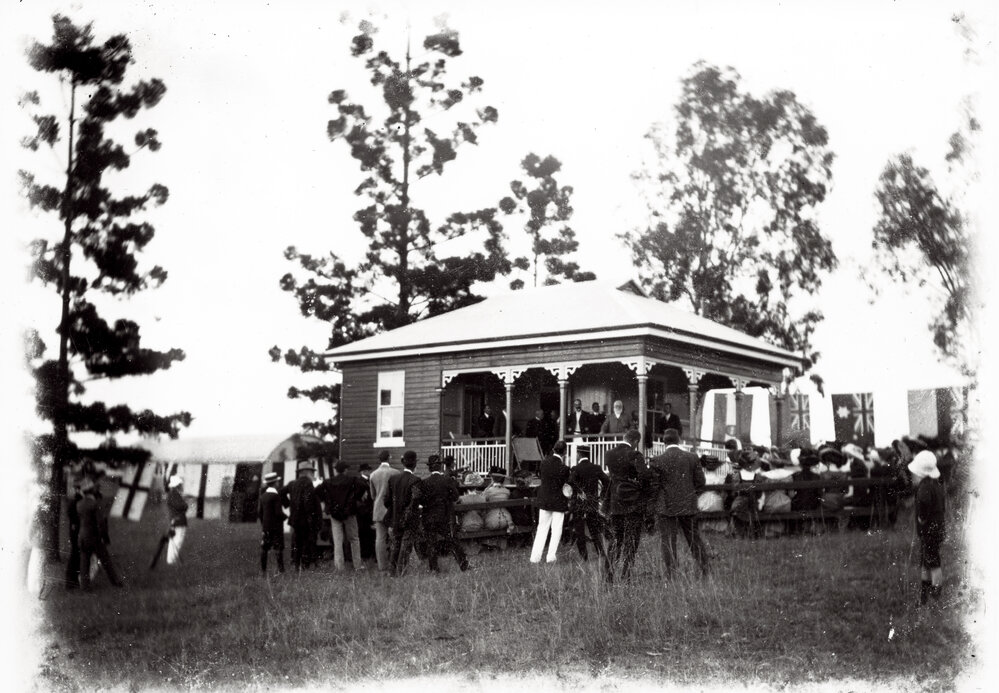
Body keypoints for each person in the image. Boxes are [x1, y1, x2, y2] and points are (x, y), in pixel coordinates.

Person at [648, 429, 708, 578]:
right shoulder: (692, 457)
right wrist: (691, 495)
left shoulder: (657, 460)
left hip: (666, 506)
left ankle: (671, 574)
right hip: (688, 504)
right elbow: (701, 482)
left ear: (664, 442)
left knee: (668, 540)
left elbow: (654, 487)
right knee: (694, 539)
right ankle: (706, 570)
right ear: (679, 440)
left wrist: (653, 505)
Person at [604, 429, 647, 581]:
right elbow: (644, 476)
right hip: (632, 503)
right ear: (635, 441)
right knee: (631, 540)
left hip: (615, 502)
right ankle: (626, 576)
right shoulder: (635, 455)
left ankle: (608, 576)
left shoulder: (609, 454)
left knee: (615, 540)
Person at [412, 456, 469, 572]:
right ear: (440, 466)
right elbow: (455, 497)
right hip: (444, 517)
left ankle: (434, 568)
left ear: (429, 468)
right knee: (452, 541)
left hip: (428, 517)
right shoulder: (446, 480)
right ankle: (463, 565)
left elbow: (420, 500)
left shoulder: (424, 482)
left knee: (431, 543)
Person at [909, 450, 946, 605]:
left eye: (914, 474)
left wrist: (921, 518)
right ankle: (925, 593)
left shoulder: (924, 487)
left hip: (930, 531)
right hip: (936, 530)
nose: (912, 476)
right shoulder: (935, 484)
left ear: (920, 473)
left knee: (932, 562)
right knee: (927, 561)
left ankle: (935, 594)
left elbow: (924, 502)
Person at [567, 445, 611, 567]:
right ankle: (600, 552)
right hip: (593, 503)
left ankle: (584, 557)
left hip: (579, 504)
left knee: (580, 531)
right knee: (594, 529)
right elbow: (607, 482)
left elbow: (570, 483)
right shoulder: (596, 468)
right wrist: (601, 496)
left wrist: (578, 492)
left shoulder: (575, 469)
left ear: (579, 455)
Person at [529, 440, 571, 564]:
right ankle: (551, 557)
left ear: (553, 449)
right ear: (565, 452)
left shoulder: (543, 463)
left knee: (542, 528)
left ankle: (535, 558)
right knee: (556, 530)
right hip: (558, 501)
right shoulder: (564, 468)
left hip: (545, 499)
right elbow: (566, 484)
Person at [77, 478, 123, 590]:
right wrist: (104, 536)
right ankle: (115, 581)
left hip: (82, 535)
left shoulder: (79, 504)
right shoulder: (95, 504)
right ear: (92, 490)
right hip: (94, 536)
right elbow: (101, 522)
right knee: (105, 560)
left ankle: (84, 586)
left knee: (84, 561)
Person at [323, 460, 367, 571]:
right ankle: (357, 565)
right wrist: (355, 498)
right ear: (346, 470)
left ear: (336, 470)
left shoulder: (328, 481)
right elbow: (363, 486)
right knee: (354, 539)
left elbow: (318, 491)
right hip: (349, 513)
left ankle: (339, 567)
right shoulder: (352, 480)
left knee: (338, 541)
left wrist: (328, 502)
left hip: (335, 514)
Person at [384, 450, 422, 576]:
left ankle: (391, 572)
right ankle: (401, 573)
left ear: (403, 463)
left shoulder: (393, 479)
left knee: (395, 546)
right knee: (405, 547)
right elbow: (415, 500)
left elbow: (387, 501)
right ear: (415, 464)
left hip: (395, 517)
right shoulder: (416, 480)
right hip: (410, 519)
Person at [282, 459, 323, 571]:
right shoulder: (308, 483)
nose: (313, 474)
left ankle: (296, 564)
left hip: (295, 518)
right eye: (312, 472)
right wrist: (311, 517)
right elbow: (308, 502)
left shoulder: (292, 484)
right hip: (306, 518)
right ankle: (305, 566)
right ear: (306, 472)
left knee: (296, 541)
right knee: (307, 541)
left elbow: (281, 493)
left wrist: (288, 504)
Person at [369, 450, 401, 572]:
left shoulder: (373, 474)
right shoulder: (396, 473)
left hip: (378, 509)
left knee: (380, 539)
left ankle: (382, 566)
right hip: (392, 510)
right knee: (395, 537)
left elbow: (373, 495)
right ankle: (394, 564)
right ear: (389, 458)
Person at [726, 450, 764, 539]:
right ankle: (751, 534)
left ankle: (739, 534)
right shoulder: (757, 477)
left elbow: (734, 492)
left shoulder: (737, 475)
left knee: (737, 510)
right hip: (753, 503)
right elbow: (759, 493)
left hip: (739, 502)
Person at [258, 472, 286, 574]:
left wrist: (264, 524)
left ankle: (263, 570)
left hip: (266, 526)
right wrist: (286, 517)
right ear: (275, 483)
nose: (278, 483)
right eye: (277, 481)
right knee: (278, 547)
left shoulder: (263, 496)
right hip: (276, 526)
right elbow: (278, 513)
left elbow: (260, 513)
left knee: (265, 548)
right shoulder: (276, 496)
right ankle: (281, 570)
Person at [165, 475, 188, 565]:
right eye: (180, 484)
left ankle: (171, 560)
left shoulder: (173, 494)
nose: (181, 485)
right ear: (177, 485)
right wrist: (185, 505)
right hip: (178, 520)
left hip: (176, 520)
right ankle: (172, 560)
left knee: (175, 540)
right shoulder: (174, 494)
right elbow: (181, 506)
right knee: (177, 540)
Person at [65, 479, 83, 589]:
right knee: (75, 555)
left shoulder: (75, 500)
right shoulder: (77, 500)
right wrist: (76, 523)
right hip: (76, 531)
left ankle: (73, 580)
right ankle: (71, 580)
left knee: (76, 554)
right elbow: (72, 515)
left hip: (75, 530)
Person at [356, 463, 376, 562]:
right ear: (363, 471)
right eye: (368, 470)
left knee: (369, 533)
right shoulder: (360, 482)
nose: (370, 472)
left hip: (368, 510)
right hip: (363, 511)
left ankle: (368, 553)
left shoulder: (367, 481)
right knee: (364, 533)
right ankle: (365, 554)